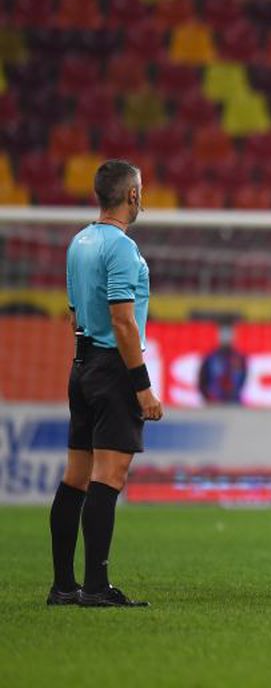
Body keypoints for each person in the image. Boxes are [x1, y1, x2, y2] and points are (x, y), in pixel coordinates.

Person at [50, 159, 163, 608]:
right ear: (132, 195)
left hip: (81, 365)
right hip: (113, 369)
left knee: (75, 478)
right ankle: (95, 587)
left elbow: (76, 313)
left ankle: (63, 586)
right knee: (108, 476)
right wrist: (142, 386)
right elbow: (123, 320)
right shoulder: (120, 248)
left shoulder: (79, 242)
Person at [198, 320, 247, 404]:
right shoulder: (210, 357)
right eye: (223, 334)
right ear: (218, 336)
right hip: (214, 401)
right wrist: (207, 397)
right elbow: (202, 379)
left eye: (229, 334)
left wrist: (234, 393)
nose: (226, 337)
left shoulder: (239, 358)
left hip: (233, 401)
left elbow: (243, 379)